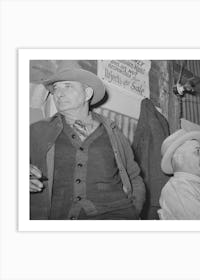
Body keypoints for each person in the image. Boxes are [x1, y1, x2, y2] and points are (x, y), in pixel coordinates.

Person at [30, 67, 145, 220]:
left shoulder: (113, 131)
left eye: (68, 86)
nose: (58, 93)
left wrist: (133, 212)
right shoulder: (36, 131)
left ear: (88, 93)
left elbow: (134, 176)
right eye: (55, 88)